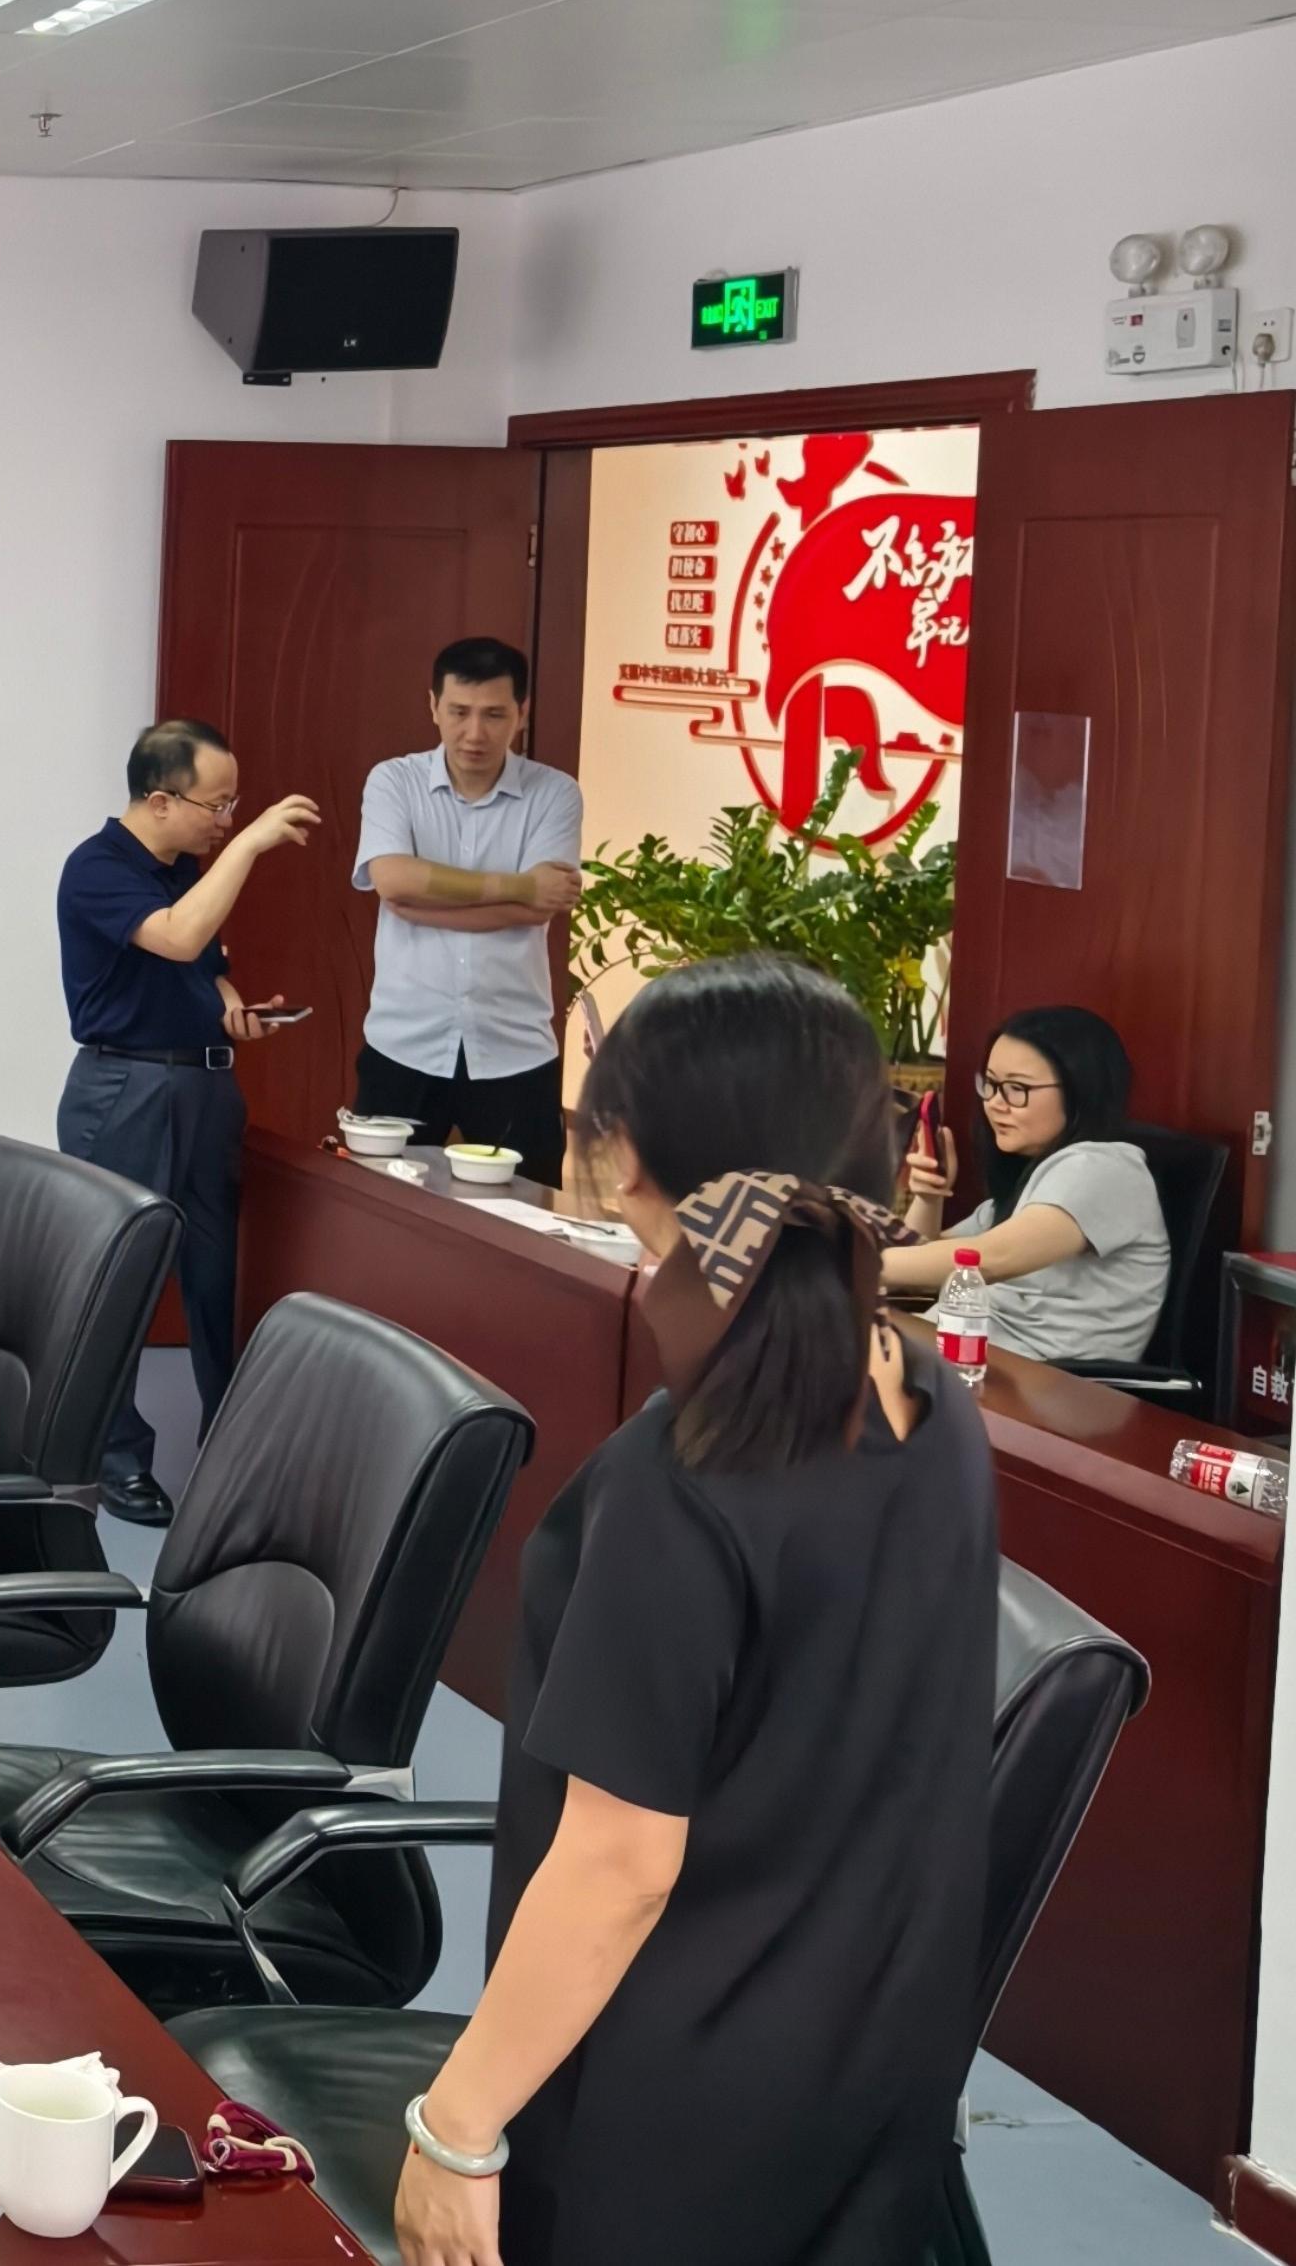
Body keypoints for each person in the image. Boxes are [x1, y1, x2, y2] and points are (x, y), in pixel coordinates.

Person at [391, 953, 992, 2266]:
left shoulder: (690, 1469)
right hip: (867, 2086)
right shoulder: (929, 1400)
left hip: (666, 2110)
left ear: (645, 1165)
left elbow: (620, 1865)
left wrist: (459, 2126)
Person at [53, 721, 316, 1525]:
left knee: (215, 1276)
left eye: (235, 806)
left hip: (204, 1085)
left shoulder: (184, 868)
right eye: (217, 805)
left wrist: (233, 1008)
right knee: (120, 1276)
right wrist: (254, 844)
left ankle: (228, 1446)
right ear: (160, 799)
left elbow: (207, 968)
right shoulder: (97, 867)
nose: (227, 821)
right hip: (125, 1088)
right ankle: (114, 1456)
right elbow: (177, 936)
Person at [351, 638, 586, 1182]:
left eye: (494, 715)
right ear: (433, 706)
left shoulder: (555, 794)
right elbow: (393, 880)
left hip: (513, 1047)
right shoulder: (394, 781)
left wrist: (419, 904)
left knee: (525, 1213)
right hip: (403, 1040)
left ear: (522, 713)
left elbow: (538, 908)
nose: (474, 733)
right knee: (380, 1207)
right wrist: (517, 886)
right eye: (459, 712)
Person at [880, 1006, 1169, 1363]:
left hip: (1036, 1379)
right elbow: (918, 1263)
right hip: (969, 1359)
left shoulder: (1103, 1169)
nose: (995, 1104)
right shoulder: (1033, 1182)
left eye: (1017, 1089)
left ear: (1080, 1090)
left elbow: (990, 1258)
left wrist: (851, 1262)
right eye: (990, 1085)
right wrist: (928, 1196)